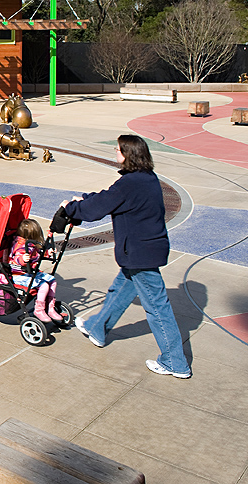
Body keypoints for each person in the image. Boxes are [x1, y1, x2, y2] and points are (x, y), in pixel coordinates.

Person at [62, 134, 191, 379]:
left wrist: (71, 207)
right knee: (120, 289)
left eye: (118, 150)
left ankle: (175, 362)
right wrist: (87, 198)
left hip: (140, 254)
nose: (115, 153)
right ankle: (97, 328)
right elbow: (108, 199)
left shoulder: (129, 184)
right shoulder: (147, 179)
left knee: (157, 308)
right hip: (144, 250)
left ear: (127, 154)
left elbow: (95, 210)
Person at [8, 219, 61, 323]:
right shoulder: (20, 246)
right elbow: (16, 259)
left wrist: (47, 253)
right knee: (44, 285)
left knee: (52, 281)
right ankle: (39, 309)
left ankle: (50, 307)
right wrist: (23, 259)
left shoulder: (31, 244)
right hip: (19, 275)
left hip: (30, 273)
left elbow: (37, 253)